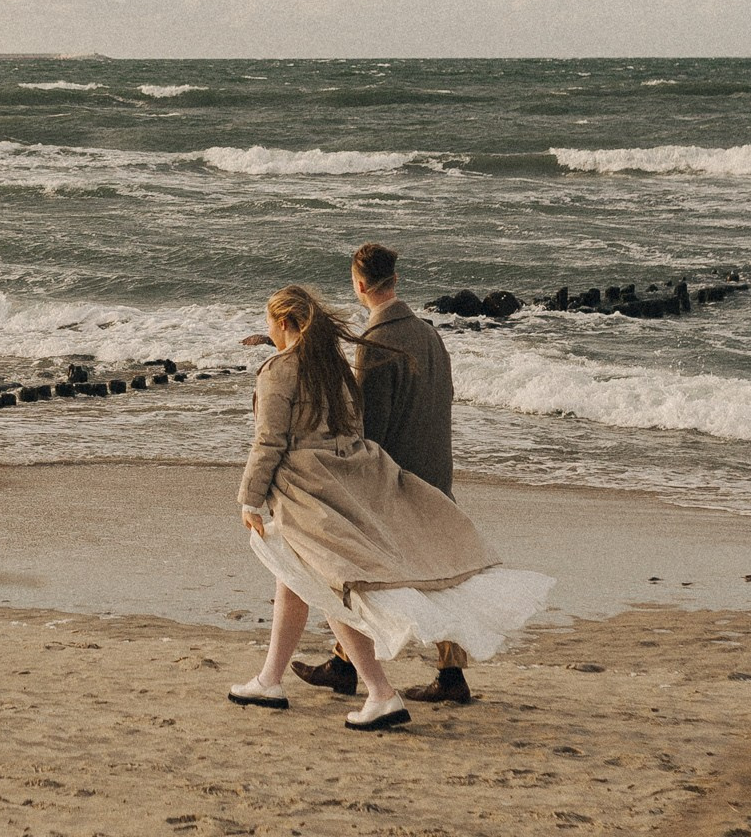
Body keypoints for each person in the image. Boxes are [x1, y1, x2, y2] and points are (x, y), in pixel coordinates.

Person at [226, 285, 552, 729]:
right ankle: (269, 679)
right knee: (296, 579)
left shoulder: (277, 370)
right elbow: (354, 427)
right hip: (348, 480)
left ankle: (381, 694)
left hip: (304, 490)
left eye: (269, 323)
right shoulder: (334, 367)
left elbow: (269, 441)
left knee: (328, 589)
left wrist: (249, 497)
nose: (267, 331)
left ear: (284, 323)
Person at [297, 240, 473, 705]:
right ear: (395, 281)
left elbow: (367, 427)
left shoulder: (376, 342)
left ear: (358, 284)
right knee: (444, 576)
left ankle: (346, 665)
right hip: (437, 468)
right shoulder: (430, 334)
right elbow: (444, 399)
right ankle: (446, 673)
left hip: (398, 479)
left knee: (361, 572)